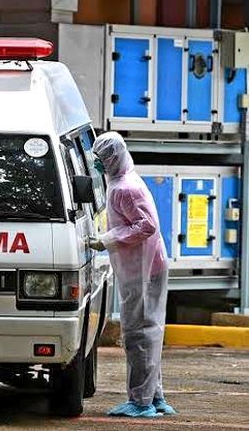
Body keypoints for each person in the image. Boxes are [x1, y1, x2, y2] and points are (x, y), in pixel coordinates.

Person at [88, 132, 177, 418]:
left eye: (101, 160)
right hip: (145, 266)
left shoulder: (125, 188)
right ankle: (155, 396)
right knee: (149, 334)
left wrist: (107, 239)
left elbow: (146, 225)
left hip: (142, 269)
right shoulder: (124, 180)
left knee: (138, 334)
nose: (98, 165)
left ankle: (141, 401)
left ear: (112, 158)